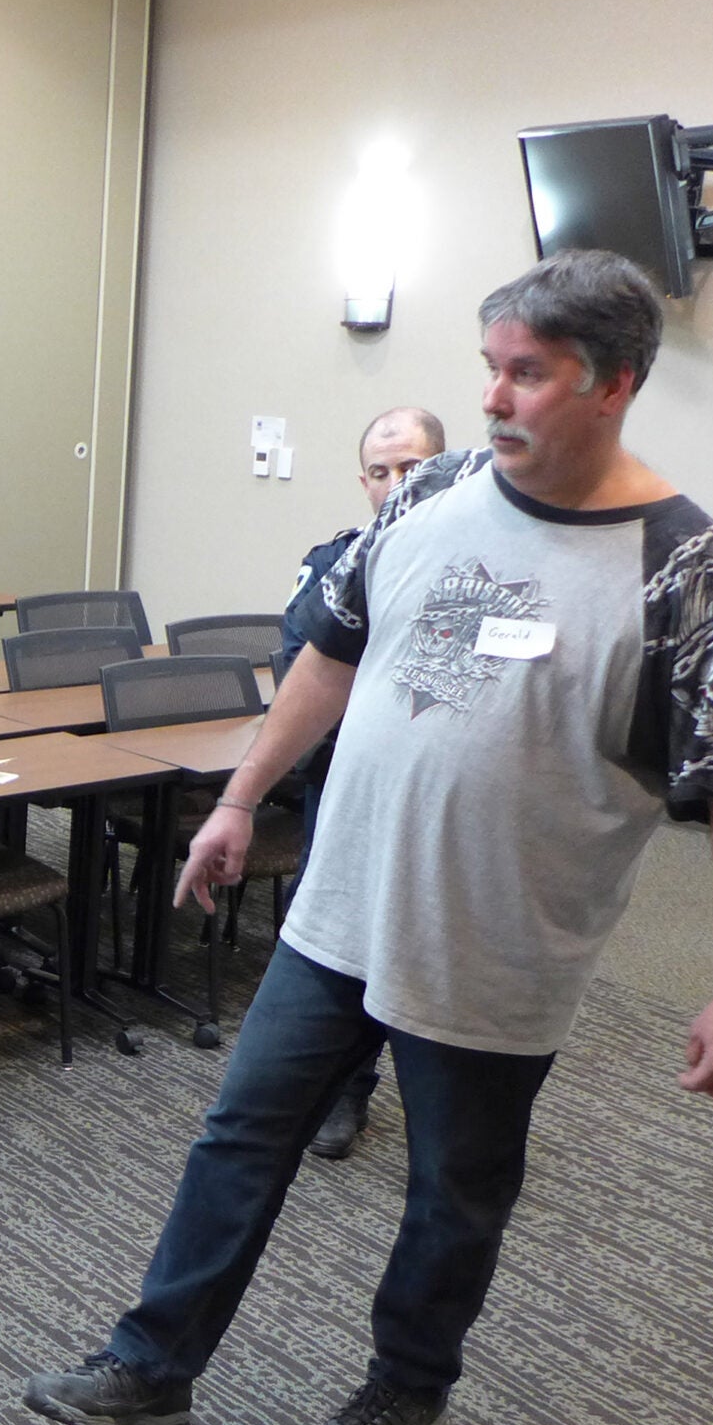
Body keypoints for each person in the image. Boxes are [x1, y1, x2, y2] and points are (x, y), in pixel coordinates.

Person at [22, 249, 713, 1425]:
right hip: (341, 907)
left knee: (453, 1186)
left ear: (614, 386)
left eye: (527, 374)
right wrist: (237, 801)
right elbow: (329, 652)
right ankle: (153, 1365)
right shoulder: (429, 488)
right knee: (239, 1132)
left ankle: (408, 1384)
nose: (493, 398)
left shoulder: (682, 569)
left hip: (496, 938)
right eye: (489, 367)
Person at [281, 406, 447, 1159]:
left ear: (443, 467)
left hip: (438, 793)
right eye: (380, 473)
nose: (395, 484)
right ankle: (340, 1092)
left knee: (421, 938)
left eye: (411, 468)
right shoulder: (336, 562)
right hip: (345, 779)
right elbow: (300, 664)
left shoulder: (475, 569)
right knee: (336, 941)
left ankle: (422, 1088)